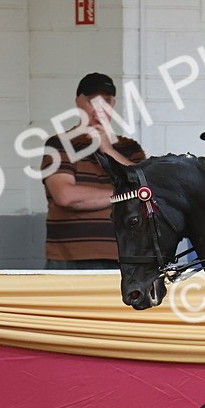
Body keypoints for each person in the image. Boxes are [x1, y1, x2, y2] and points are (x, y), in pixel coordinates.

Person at [41, 73, 147, 269]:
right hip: (69, 260)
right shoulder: (59, 144)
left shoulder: (131, 148)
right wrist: (127, 194)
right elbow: (66, 196)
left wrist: (108, 149)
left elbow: (146, 191)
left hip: (127, 258)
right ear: (78, 103)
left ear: (113, 105)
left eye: (106, 101)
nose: (99, 109)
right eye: (92, 101)